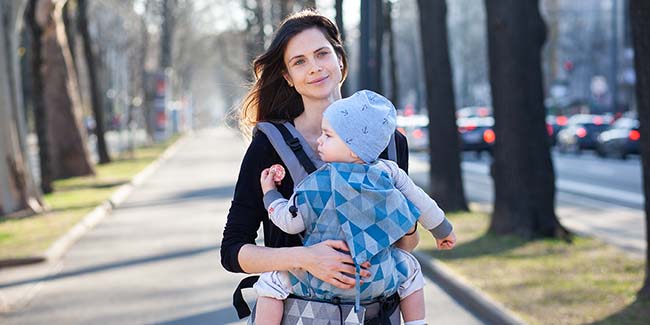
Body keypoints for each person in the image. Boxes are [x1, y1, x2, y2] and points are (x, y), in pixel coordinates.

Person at [220, 10, 416, 323]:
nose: (314, 68)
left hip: (378, 314)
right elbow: (232, 250)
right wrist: (307, 258)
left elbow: (406, 244)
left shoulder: (390, 142)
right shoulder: (269, 145)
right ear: (287, 76)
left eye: (322, 54)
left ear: (340, 59)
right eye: (299, 61)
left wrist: (405, 219)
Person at [255, 90, 457, 325]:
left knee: (271, 281)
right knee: (411, 269)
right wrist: (443, 230)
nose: (320, 140)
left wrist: (270, 195)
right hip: (377, 276)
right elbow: (422, 202)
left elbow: (289, 223)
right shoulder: (389, 173)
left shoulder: (317, 183)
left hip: (322, 278)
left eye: (328, 135)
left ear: (353, 148)